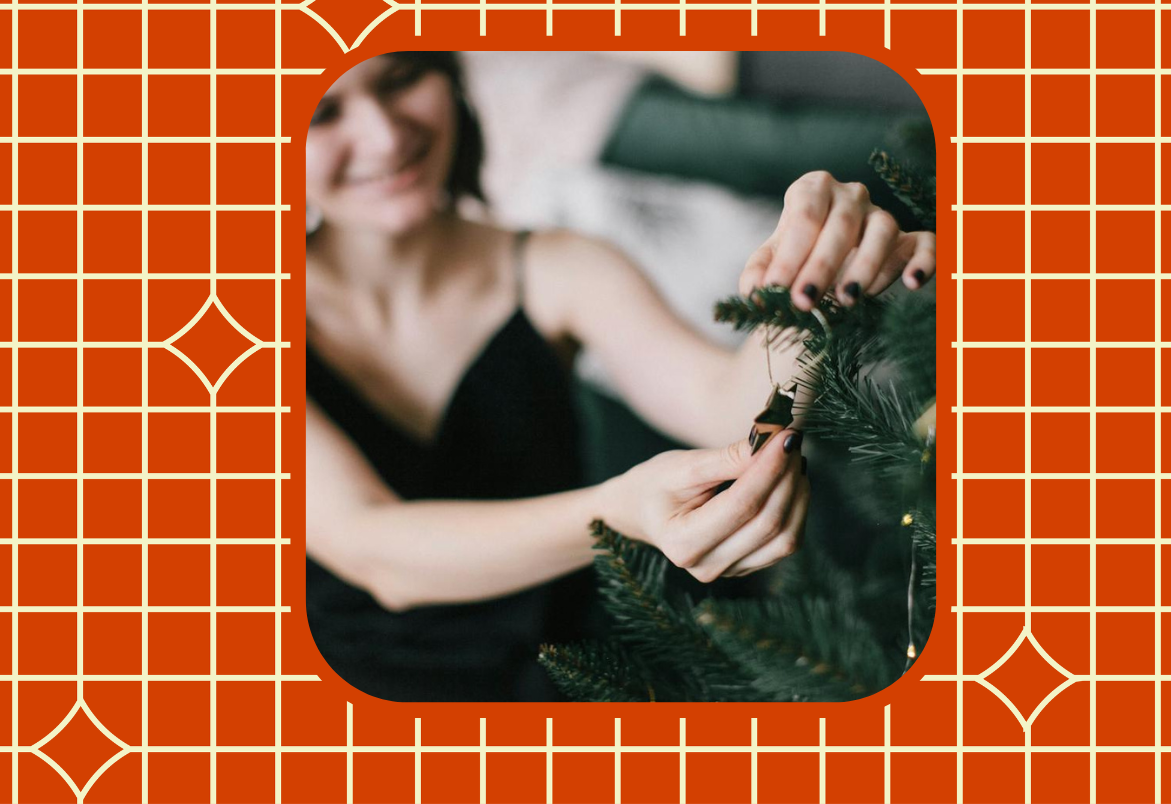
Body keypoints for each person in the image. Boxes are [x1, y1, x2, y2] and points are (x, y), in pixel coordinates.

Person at [304, 51, 937, 702]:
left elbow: (722, 406)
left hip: (574, 676)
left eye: (403, 79)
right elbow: (371, 547)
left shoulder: (557, 264)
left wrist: (812, 280)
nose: (385, 134)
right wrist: (616, 510)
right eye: (324, 112)